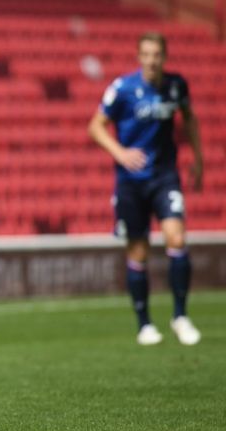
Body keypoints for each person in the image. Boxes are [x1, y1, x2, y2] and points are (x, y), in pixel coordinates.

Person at [87, 32, 203, 346]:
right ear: (139, 57)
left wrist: (199, 159)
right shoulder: (123, 88)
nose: (152, 60)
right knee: (138, 252)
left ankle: (180, 316)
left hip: (165, 176)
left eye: (157, 55)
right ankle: (145, 324)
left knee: (176, 238)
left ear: (164, 57)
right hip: (130, 183)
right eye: (147, 54)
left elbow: (190, 119)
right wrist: (120, 153)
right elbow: (95, 126)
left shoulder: (176, 86)